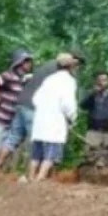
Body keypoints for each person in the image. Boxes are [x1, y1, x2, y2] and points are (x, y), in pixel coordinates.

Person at [0, 49, 86, 173]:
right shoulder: (62, 71)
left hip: (21, 102)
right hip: (35, 107)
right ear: (73, 62)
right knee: (37, 143)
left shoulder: (48, 65)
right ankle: (30, 177)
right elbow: (61, 98)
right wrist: (68, 117)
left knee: (13, 138)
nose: (78, 68)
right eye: (78, 64)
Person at [28, 53, 80, 181]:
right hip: (55, 122)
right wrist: (72, 118)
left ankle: (31, 178)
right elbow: (68, 103)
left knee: (36, 155)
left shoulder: (49, 79)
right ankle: (39, 180)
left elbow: (35, 99)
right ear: (71, 67)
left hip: (40, 121)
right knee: (51, 155)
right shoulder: (69, 81)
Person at [0, 50, 33, 166]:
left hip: (8, 121)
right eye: (27, 62)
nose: (30, 64)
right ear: (20, 63)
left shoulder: (21, 79)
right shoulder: (9, 76)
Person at [80, 72, 108, 148]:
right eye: (99, 80)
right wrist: (93, 94)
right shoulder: (92, 95)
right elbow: (82, 106)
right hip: (93, 131)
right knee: (90, 157)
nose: (101, 82)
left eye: (104, 80)